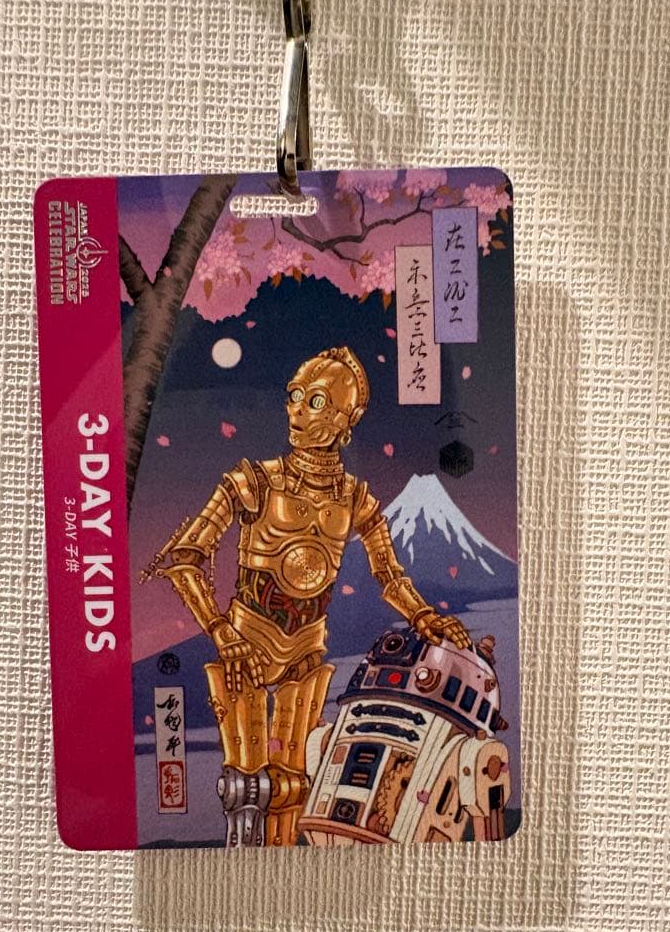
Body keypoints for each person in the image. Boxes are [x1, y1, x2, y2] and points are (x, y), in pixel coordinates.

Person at [142, 346, 469, 847]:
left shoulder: (356, 499)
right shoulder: (253, 482)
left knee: (293, 787)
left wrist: (424, 616)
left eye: (315, 400)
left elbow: (390, 576)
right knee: (244, 788)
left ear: (346, 420)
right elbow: (185, 559)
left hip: (307, 653)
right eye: (294, 395)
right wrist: (223, 633)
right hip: (245, 647)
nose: (296, 409)